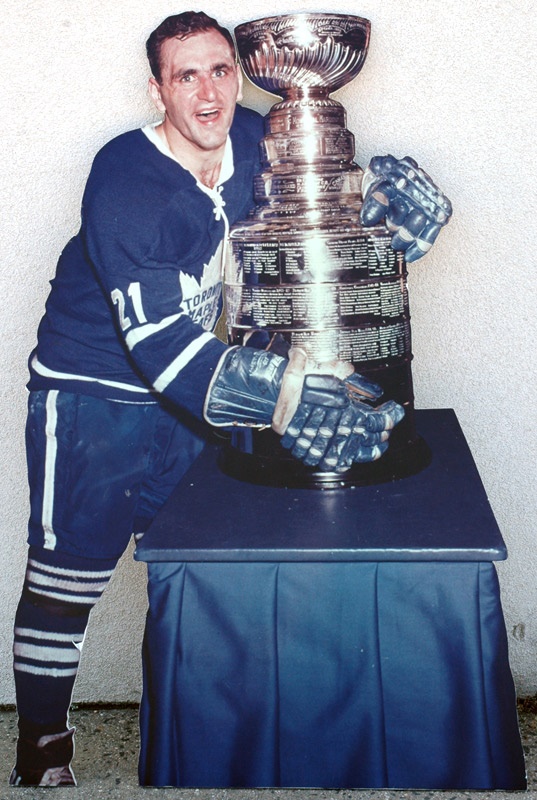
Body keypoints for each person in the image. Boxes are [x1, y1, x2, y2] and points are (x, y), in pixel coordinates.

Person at [10, 11, 451, 787]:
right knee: (67, 578)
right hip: (92, 403)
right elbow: (155, 344)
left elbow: (314, 225)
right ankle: (43, 744)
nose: (209, 92)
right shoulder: (124, 176)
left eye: (220, 70)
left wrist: (381, 225)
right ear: (158, 89)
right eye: (187, 76)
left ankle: (180, 740)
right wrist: (285, 402)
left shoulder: (255, 139)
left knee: (186, 576)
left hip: (190, 403)